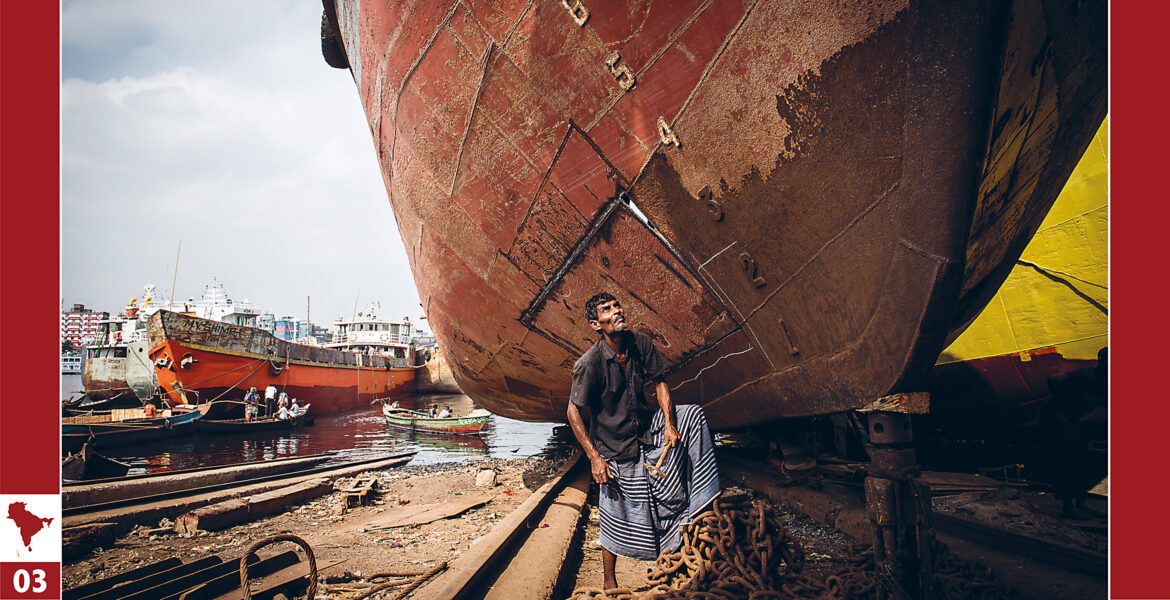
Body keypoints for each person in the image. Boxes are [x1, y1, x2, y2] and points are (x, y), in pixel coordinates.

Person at [567, 292, 720, 590]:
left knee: (693, 415)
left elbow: (660, 382)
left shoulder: (640, 343)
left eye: (616, 306)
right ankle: (609, 581)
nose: (616, 311)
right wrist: (595, 458)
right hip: (613, 445)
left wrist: (670, 426)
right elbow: (573, 410)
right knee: (614, 511)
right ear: (595, 324)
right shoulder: (590, 363)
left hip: (645, 429)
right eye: (607, 310)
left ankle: (703, 503)